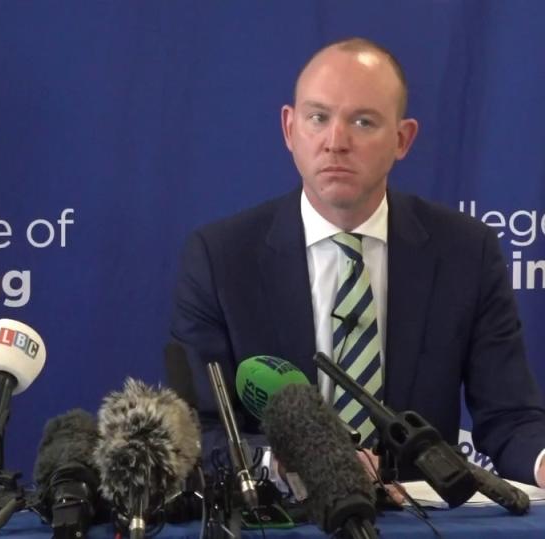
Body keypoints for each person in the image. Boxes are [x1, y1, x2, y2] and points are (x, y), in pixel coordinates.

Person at [170, 37, 545, 487]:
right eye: (318, 118)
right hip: (285, 517)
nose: (336, 142)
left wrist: (542, 460)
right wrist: (285, 463)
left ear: (403, 139)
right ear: (290, 129)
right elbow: (196, 432)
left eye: (363, 121)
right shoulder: (221, 257)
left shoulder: (465, 251)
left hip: (417, 521)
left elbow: (511, 417)